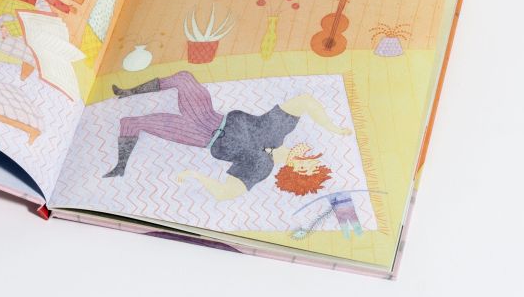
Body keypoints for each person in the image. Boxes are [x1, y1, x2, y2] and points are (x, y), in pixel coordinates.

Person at [104, 71, 350, 200]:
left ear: (293, 172)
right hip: (208, 114)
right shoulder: (279, 130)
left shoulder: (261, 166)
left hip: (199, 135)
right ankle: (127, 93)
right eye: (312, 158)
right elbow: (305, 101)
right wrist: (335, 129)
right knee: (184, 78)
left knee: (131, 123)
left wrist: (195, 176)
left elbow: (225, 193)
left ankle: (120, 167)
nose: (306, 156)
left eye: (305, 165)